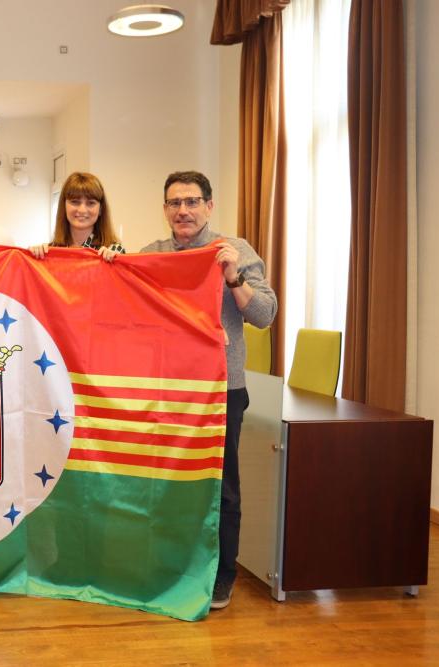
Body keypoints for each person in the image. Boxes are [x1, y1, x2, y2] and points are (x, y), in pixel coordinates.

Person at [140, 170, 277, 611]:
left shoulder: (233, 251)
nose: (184, 210)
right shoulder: (153, 255)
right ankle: (171, 565)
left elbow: (264, 314)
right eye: (175, 202)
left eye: (193, 201)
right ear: (164, 209)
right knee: (167, 481)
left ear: (209, 206)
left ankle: (223, 574)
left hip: (222, 389)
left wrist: (233, 277)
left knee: (223, 486)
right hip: (170, 388)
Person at [29, 171, 124, 262]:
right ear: (64, 206)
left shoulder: (114, 251)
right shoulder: (48, 252)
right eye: (75, 202)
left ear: (100, 209)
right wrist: (32, 258)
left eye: (91, 203)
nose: (82, 210)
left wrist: (116, 262)